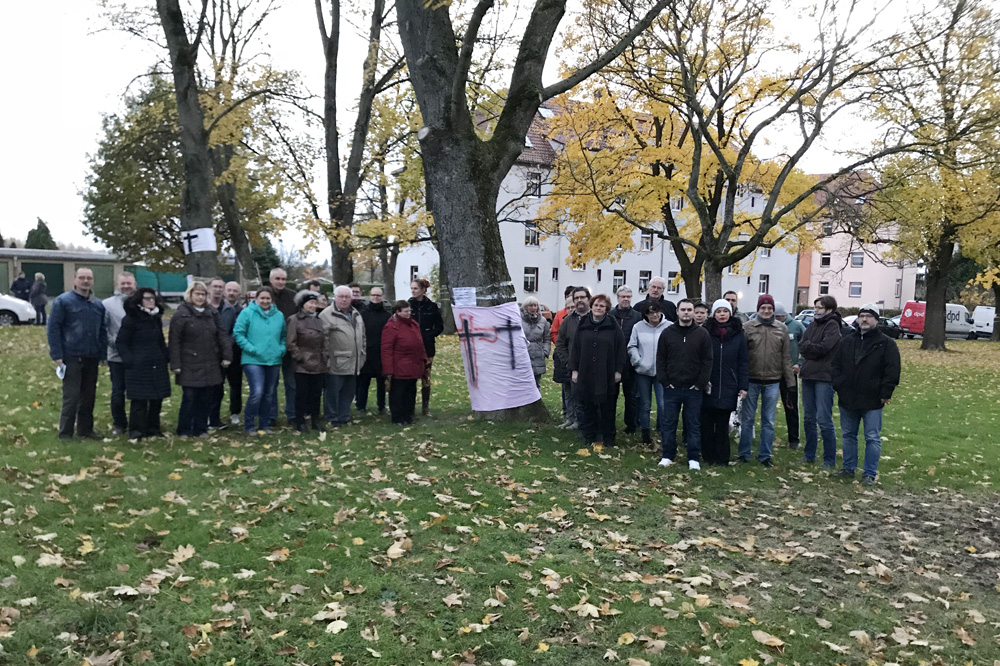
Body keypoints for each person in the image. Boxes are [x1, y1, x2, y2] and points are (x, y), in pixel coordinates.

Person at [832, 304, 901, 486]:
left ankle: (869, 473)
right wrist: (838, 384)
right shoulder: (846, 341)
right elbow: (835, 365)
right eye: (861, 316)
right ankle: (848, 469)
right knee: (848, 435)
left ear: (876, 320)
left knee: (872, 437)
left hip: (872, 399)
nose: (864, 319)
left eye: (869, 316)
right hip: (847, 397)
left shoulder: (886, 344)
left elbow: (892, 370)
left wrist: (886, 392)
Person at [47, 268, 107, 441]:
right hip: (71, 356)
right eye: (82, 278)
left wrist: (102, 353)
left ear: (93, 281)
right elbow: (53, 328)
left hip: (91, 356)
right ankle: (65, 433)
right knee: (71, 397)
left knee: (88, 397)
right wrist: (57, 354)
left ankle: (85, 430)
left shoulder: (97, 305)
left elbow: (101, 330)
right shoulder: (63, 301)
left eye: (89, 278)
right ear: (74, 280)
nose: (85, 281)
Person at [737, 295, 795, 467]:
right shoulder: (747, 327)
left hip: (773, 380)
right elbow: (741, 356)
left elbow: (786, 357)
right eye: (763, 308)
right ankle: (744, 454)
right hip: (751, 380)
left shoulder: (781, 328)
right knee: (747, 419)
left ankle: (765, 455)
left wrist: (790, 383)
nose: (766, 311)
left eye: (769, 308)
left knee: (768, 421)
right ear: (758, 309)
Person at [169, 282, 232, 437]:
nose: (200, 297)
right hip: (188, 362)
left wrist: (227, 355)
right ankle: (184, 429)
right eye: (197, 294)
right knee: (189, 397)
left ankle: (201, 428)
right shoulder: (181, 314)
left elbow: (222, 335)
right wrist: (175, 364)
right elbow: (174, 341)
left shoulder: (212, 313)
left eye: (203, 294)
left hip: (210, 361)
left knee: (205, 398)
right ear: (190, 295)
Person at [655, 299, 712, 469]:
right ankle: (667, 455)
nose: (686, 313)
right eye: (683, 310)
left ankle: (693, 458)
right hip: (671, 387)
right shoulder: (667, 333)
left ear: (694, 312)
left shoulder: (702, 335)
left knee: (693, 424)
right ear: (677, 312)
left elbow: (707, 360)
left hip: (693, 389)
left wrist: (700, 383)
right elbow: (661, 358)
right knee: (669, 423)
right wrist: (665, 381)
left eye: (689, 310)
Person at [569, 294, 626, 447]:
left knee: (608, 407)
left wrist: (618, 370)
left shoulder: (613, 326)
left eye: (602, 306)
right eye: (596, 305)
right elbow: (575, 349)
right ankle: (589, 437)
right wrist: (574, 370)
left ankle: (608, 439)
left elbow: (621, 349)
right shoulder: (583, 325)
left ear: (606, 309)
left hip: (606, 373)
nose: (598, 308)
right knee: (588, 407)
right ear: (591, 306)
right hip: (586, 372)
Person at [116, 288, 170, 440]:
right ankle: (136, 431)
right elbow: (121, 342)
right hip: (138, 365)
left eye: (153, 298)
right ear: (140, 300)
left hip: (157, 363)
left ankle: (153, 429)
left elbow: (160, 340)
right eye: (147, 298)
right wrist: (129, 360)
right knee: (139, 400)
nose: (151, 301)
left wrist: (165, 356)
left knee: (156, 399)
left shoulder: (155, 318)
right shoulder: (131, 319)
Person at [701, 300, 749, 466]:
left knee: (722, 424)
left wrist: (743, 385)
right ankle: (707, 456)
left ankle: (722, 458)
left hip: (729, 384)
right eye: (718, 311)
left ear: (730, 313)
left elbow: (743, 361)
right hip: (708, 383)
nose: (722, 314)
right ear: (713, 314)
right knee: (706, 423)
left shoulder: (738, 335)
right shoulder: (705, 332)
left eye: (725, 311)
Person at [233, 287, 287, 434]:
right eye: (262, 298)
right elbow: (238, 333)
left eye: (268, 298)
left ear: (272, 300)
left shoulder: (279, 315)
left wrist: (281, 349)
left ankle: (264, 424)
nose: (265, 301)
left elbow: (283, 336)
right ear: (256, 299)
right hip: (253, 359)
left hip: (273, 359)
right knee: (257, 392)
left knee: (269, 394)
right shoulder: (247, 313)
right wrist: (251, 349)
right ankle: (249, 425)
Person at [798, 295, 843, 468]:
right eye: (815, 307)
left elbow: (826, 347)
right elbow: (802, 345)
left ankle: (829, 459)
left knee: (824, 419)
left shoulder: (833, 325)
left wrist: (810, 348)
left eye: (819, 307)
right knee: (809, 418)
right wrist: (810, 348)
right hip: (808, 374)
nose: (816, 310)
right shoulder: (812, 324)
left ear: (829, 309)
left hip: (824, 377)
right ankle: (809, 454)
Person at [320, 286, 366, 426]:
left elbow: (362, 336)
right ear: (335, 297)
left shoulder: (356, 313)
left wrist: (362, 353)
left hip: (354, 360)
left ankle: (344, 416)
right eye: (341, 296)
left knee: (348, 392)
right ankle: (332, 417)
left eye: (347, 297)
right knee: (333, 392)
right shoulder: (326, 315)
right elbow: (323, 341)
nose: (344, 299)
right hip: (335, 361)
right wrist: (326, 360)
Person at [627, 302, 670, 445]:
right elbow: (632, 346)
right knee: (645, 404)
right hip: (643, 371)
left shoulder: (669, 326)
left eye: (656, 312)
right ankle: (645, 433)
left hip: (662, 372)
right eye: (650, 313)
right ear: (646, 314)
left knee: (663, 404)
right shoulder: (638, 327)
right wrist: (637, 361)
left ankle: (663, 430)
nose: (654, 315)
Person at [286, 290, 328, 432]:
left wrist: (325, 356)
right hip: (302, 364)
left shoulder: (318, 320)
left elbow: (323, 341)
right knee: (301, 394)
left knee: (316, 394)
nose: (313, 306)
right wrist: (299, 357)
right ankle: (300, 421)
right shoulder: (294, 319)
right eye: (310, 303)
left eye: (315, 303)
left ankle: (315, 420)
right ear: (302, 304)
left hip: (319, 363)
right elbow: (291, 342)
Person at [381, 300, 428, 426]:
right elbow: (386, 349)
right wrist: (388, 370)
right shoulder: (391, 326)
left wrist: (424, 359)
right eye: (406, 311)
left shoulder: (413, 324)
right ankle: (397, 417)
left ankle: (408, 415)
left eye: (409, 311)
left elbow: (420, 343)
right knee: (398, 393)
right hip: (399, 367)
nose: (408, 313)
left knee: (410, 392)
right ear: (398, 312)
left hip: (414, 365)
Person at [103, 272, 137, 435]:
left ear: (134, 284)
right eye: (123, 283)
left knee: (139, 391)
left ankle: (138, 422)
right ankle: (119, 423)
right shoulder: (107, 304)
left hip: (139, 355)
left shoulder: (142, 302)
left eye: (129, 283)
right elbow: (103, 329)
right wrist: (116, 344)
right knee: (118, 391)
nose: (126, 286)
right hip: (116, 356)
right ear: (117, 285)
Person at [553, 286, 591, 429]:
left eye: (582, 297)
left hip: (593, 367)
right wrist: (569, 362)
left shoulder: (596, 318)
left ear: (588, 299)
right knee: (574, 396)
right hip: (574, 367)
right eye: (576, 298)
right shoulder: (568, 321)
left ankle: (590, 425)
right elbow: (560, 343)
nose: (579, 301)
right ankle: (576, 422)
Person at [409, 278, 444, 416]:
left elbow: (440, 326)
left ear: (423, 290)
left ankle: (425, 407)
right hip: (411, 347)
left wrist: (430, 334)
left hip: (427, 347)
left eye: (415, 288)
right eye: (412, 288)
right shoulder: (407, 305)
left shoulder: (432, 307)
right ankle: (409, 406)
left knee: (426, 377)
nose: (413, 291)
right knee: (410, 377)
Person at [268, 267, 298, 426]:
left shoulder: (293, 296)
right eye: (277, 279)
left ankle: (292, 414)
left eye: (283, 279)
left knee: (291, 383)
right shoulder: (265, 295)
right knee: (271, 384)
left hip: (290, 346)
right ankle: (271, 415)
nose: (280, 282)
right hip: (270, 347)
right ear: (271, 280)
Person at [611, 286, 643, 435]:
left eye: (629, 296)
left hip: (631, 363)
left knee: (632, 396)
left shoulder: (637, 316)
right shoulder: (610, 315)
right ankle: (609, 423)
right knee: (611, 395)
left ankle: (631, 425)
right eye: (623, 296)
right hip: (613, 362)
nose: (626, 299)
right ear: (617, 298)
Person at [775, 301, 805, 449]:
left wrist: (799, 363)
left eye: (778, 317)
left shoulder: (796, 326)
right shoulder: (771, 326)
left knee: (791, 406)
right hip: (772, 372)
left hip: (789, 373)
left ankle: (794, 439)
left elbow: (806, 345)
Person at [357, 287, 392, 414]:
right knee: (363, 382)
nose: (376, 297)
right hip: (366, 352)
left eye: (378, 295)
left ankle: (382, 406)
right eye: (373, 295)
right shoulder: (362, 314)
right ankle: (361, 407)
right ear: (369, 296)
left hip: (381, 353)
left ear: (382, 297)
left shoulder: (387, 315)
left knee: (381, 383)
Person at [216, 282, 244, 426]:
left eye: (235, 291)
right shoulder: (217, 309)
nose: (232, 293)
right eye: (229, 290)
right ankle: (213, 414)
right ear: (224, 292)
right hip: (217, 353)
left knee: (236, 385)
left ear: (239, 293)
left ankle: (235, 412)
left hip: (236, 353)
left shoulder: (243, 311)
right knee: (216, 385)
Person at [521, 296, 551, 387]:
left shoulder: (543, 321)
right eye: (531, 305)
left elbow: (547, 338)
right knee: (523, 383)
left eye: (535, 305)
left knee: (536, 383)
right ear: (526, 307)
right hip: (524, 354)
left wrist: (545, 352)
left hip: (538, 355)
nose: (534, 308)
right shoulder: (519, 320)